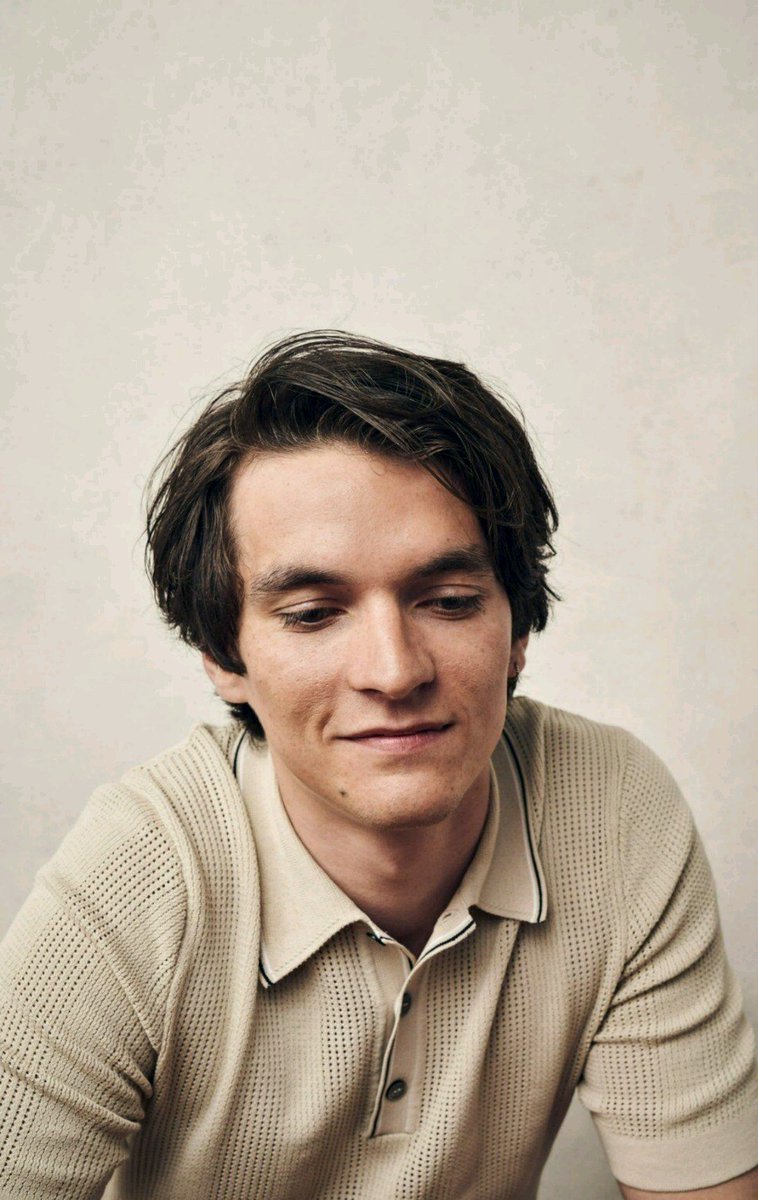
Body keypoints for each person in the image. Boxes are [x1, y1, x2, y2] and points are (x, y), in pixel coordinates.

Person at [0, 331, 755, 1200]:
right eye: (314, 614)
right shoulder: (140, 875)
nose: (394, 672)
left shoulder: (612, 807)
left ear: (516, 629)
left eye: (450, 602)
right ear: (222, 655)